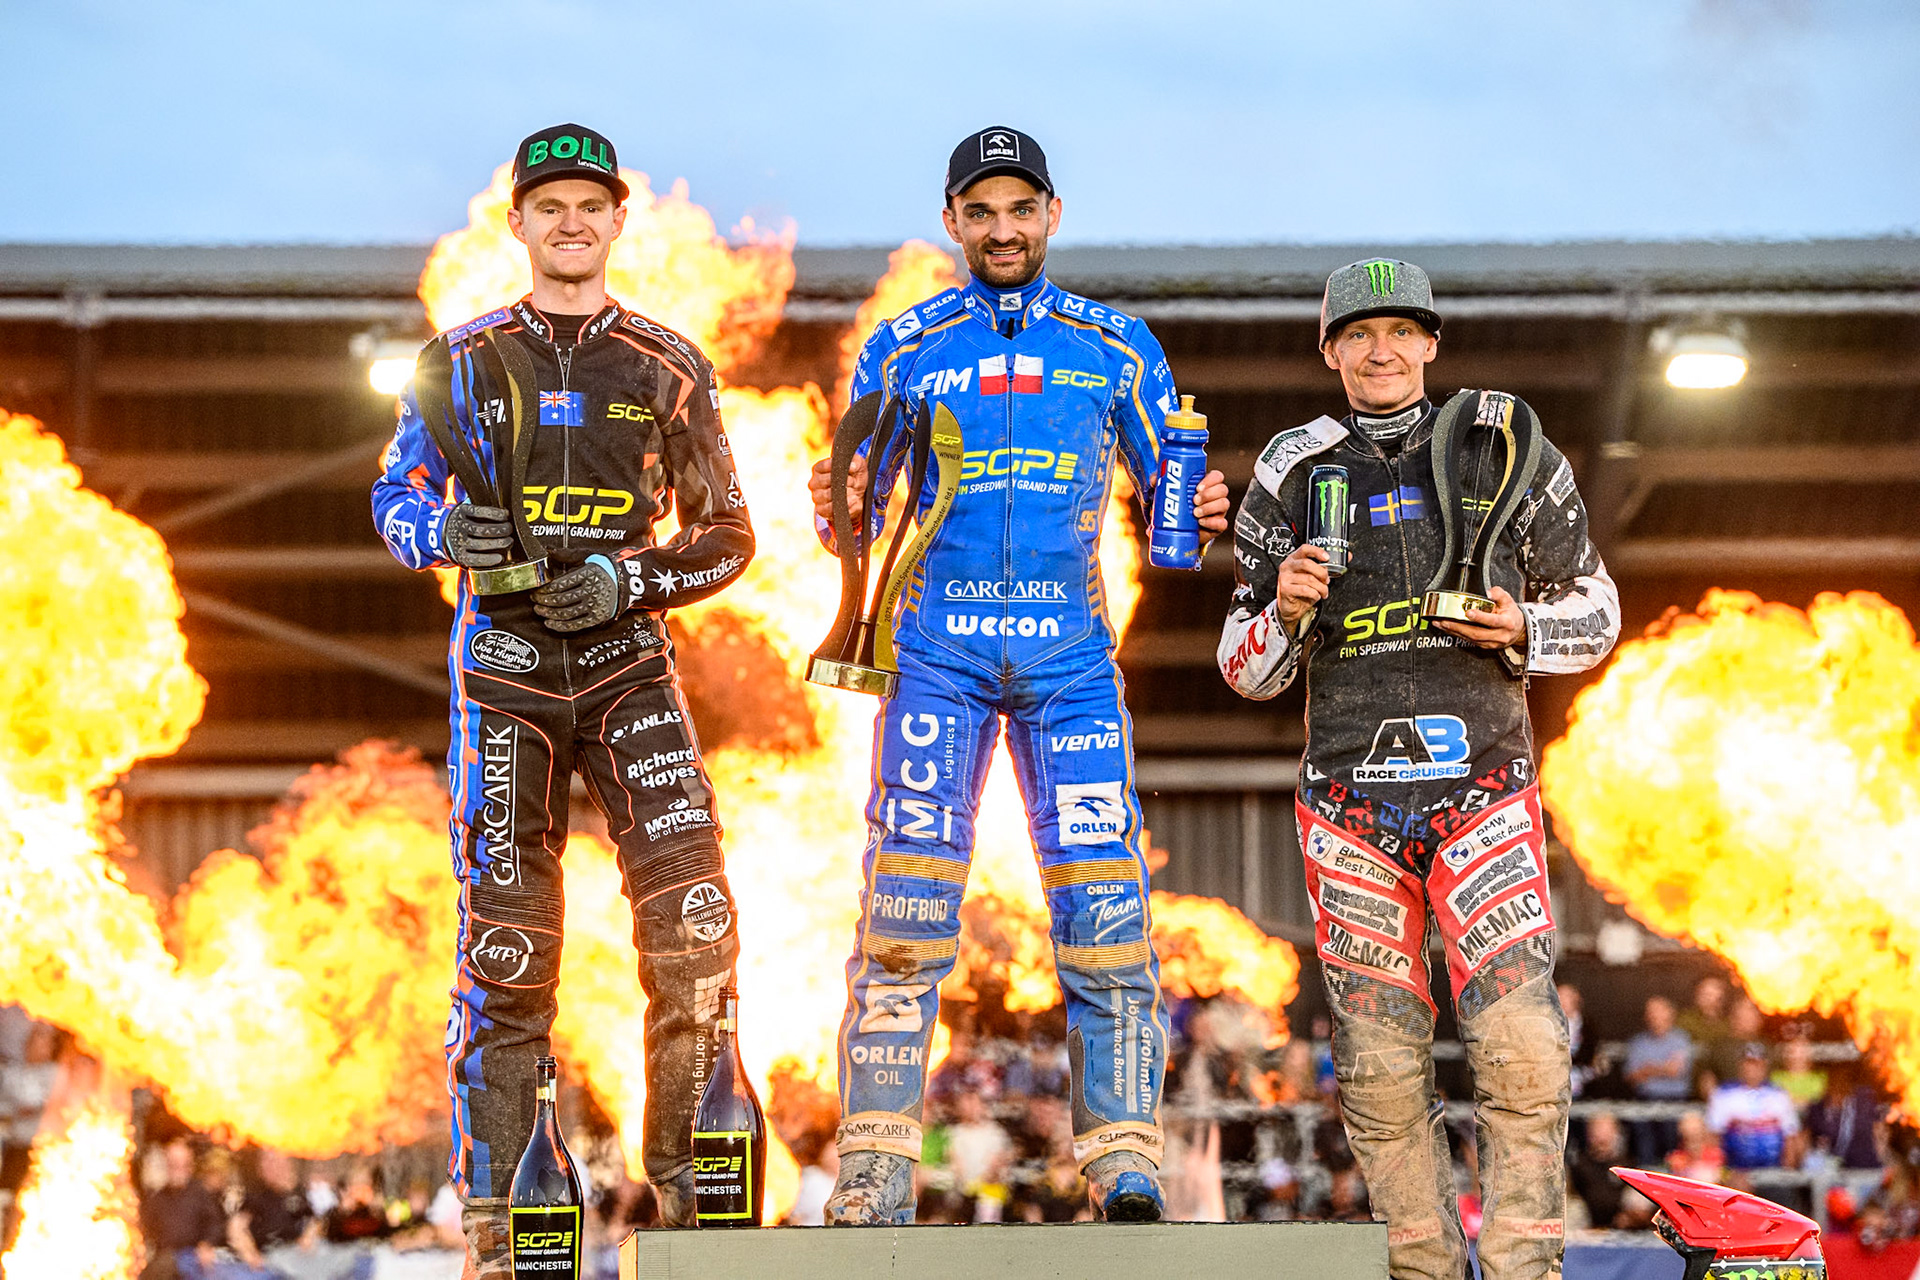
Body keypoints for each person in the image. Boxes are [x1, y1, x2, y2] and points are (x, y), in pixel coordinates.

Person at [809, 125, 1228, 1224]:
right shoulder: (902, 345)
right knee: (900, 918)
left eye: (1020, 208)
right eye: (980, 210)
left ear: (1052, 215)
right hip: (933, 659)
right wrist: (835, 509)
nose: (1002, 228)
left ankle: (1126, 1161)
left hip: (1072, 667)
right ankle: (875, 1169)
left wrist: (1203, 506)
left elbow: (1176, 526)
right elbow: (856, 520)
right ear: (952, 220)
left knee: (1106, 917)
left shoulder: (1121, 345)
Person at [372, 123, 754, 1263]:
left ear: (619, 220)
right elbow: (393, 500)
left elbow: (732, 534)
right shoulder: (456, 359)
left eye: (592, 204)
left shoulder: (670, 363)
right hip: (504, 676)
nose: (572, 222)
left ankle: (693, 1195)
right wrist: (441, 529)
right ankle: (502, 1219)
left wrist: (631, 575)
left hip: (633, 665)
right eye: (552, 206)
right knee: (507, 955)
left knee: (695, 928)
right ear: (519, 223)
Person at [1217, 257, 1620, 1278]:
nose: (1381, 349)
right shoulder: (1290, 467)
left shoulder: (1503, 438)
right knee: (1379, 1069)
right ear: (1329, 350)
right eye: (1358, 333)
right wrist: (1291, 604)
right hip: (1350, 802)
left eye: (1401, 330)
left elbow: (1599, 610)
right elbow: (1245, 666)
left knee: (1523, 1045)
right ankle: (1422, 1270)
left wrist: (1522, 621)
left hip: (1485, 780)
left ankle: (1529, 1266)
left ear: (1433, 341)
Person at [1707, 1043, 1804, 1172]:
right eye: (1748, 1064)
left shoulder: (1779, 1094)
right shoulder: (1723, 1094)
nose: (1752, 1069)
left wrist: (1788, 1172)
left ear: (1765, 1067)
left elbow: (1790, 1135)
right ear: (1740, 1066)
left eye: (1757, 1065)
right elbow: (1714, 1135)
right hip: (1735, 1170)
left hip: (1774, 1170)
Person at [1624, 995, 1696, 1162]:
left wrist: (1648, 1069)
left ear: (1670, 1013)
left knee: (1673, 1148)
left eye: (1658, 1011)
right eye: (1651, 1012)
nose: (1654, 1016)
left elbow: (1676, 1071)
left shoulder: (1681, 1040)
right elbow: (1631, 1076)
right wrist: (1663, 1068)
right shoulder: (1638, 1042)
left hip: (1675, 1101)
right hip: (1645, 1100)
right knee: (1643, 1146)